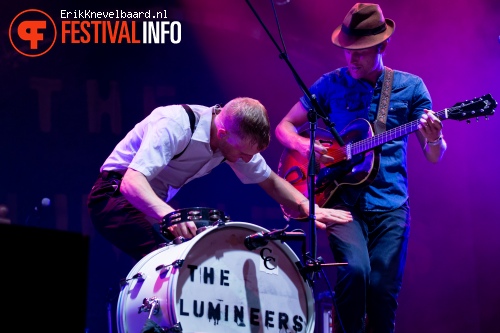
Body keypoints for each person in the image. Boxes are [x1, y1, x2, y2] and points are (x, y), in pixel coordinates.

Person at [275, 3, 447, 333]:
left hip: (390, 204)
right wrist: (302, 145)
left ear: (382, 46)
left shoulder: (410, 88)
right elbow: (284, 126)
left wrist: (435, 137)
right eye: (347, 51)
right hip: (339, 202)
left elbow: (434, 155)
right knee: (354, 271)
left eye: (361, 52)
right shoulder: (330, 84)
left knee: (382, 290)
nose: (352, 60)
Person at [87, 97, 352, 262]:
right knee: (172, 261)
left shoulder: (235, 143)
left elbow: (270, 181)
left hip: (149, 207)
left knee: (202, 258)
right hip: (114, 196)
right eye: (244, 153)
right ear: (222, 133)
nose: (247, 160)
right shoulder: (175, 124)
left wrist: (306, 206)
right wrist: (172, 218)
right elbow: (131, 182)